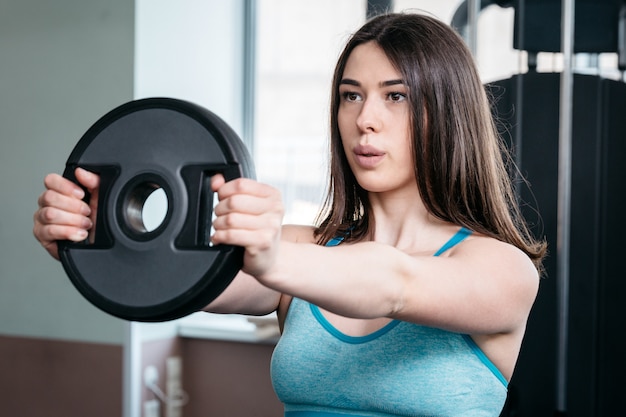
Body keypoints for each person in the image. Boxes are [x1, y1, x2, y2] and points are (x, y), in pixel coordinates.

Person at [34, 12, 546, 417]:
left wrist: (271, 255)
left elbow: (396, 283)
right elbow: (184, 282)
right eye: (351, 96)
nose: (365, 120)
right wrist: (90, 237)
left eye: (396, 97)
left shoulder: (502, 270)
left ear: (448, 111)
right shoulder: (302, 251)